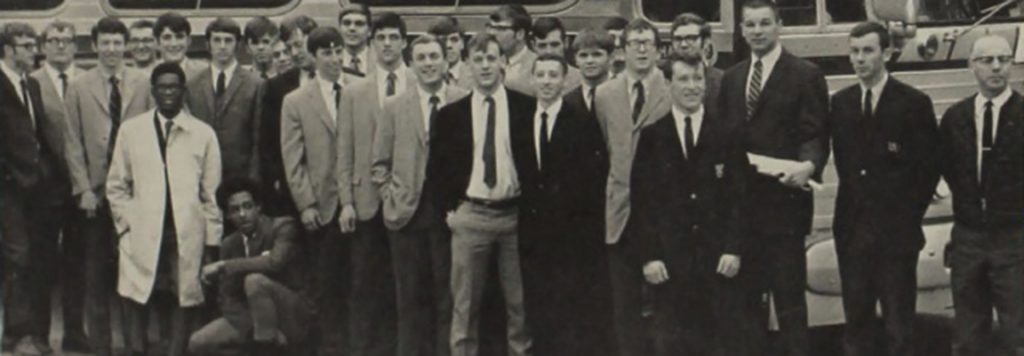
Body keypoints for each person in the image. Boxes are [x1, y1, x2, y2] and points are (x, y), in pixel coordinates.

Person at [719, 1, 829, 355]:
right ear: (741, 29)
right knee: (745, 309)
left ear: (779, 24)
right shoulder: (732, 78)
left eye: (764, 23)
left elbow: (815, 134)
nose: (757, 31)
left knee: (790, 307)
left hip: (784, 210)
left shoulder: (805, 74)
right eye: (749, 24)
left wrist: (807, 167)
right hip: (740, 215)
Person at [829, 22, 941, 356]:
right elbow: (847, 167)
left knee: (898, 328)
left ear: (887, 53)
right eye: (854, 51)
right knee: (857, 326)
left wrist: (905, 219)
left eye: (867, 51)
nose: (859, 59)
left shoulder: (913, 103)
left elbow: (928, 171)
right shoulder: (842, 103)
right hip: (852, 235)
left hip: (896, 237)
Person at [632, 53, 749, 356]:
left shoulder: (727, 134)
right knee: (672, 343)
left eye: (698, 78)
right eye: (683, 79)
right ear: (668, 84)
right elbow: (642, 202)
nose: (692, 86)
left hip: (717, 262)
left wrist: (733, 248)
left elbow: (740, 197)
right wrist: (649, 257)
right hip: (670, 265)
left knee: (718, 343)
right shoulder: (652, 136)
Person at [427, 33, 533, 356]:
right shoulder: (450, 115)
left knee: (519, 302)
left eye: (491, 58)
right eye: (478, 60)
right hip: (471, 215)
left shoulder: (525, 108)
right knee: (465, 303)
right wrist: (452, 212)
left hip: (514, 217)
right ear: (467, 65)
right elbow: (438, 171)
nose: (485, 66)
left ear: (503, 62)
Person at [106, 62, 222, 356]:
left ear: (183, 92)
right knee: (136, 294)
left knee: (184, 294)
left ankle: (176, 351)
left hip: (184, 231)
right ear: (153, 91)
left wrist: (210, 241)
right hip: (142, 230)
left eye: (174, 87)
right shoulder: (132, 131)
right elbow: (117, 185)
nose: (168, 93)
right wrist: (126, 227)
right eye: (162, 87)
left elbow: (211, 194)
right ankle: (136, 349)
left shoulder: (202, 133)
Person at [371, 34, 469, 356]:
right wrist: (391, 196)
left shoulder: (463, 100)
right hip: (407, 217)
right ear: (411, 65)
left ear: (446, 60)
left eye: (434, 57)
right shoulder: (395, 107)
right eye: (422, 58)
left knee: (448, 296)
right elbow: (379, 164)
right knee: (409, 298)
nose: (428, 63)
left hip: (451, 217)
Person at [63, 17, 154, 355]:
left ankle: (136, 345)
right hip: (96, 196)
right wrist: (83, 188)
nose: (112, 49)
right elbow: (72, 142)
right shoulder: (79, 86)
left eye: (118, 43)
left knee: (134, 272)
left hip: (133, 193)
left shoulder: (142, 83)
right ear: (95, 45)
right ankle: (100, 346)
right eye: (106, 43)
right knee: (96, 275)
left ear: (126, 46)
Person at [515, 53, 612, 356]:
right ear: (532, 80)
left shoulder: (582, 122)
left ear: (564, 79)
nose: (546, 81)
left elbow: (594, 181)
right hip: (532, 234)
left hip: (570, 235)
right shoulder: (520, 122)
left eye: (553, 75)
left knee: (569, 306)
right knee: (537, 304)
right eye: (540, 75)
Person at [940, 34, 1024, 356]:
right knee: (968, 332)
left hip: (1013, 238)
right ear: (971, 66)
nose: (996, 67)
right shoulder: (955, 118)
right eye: (987, 60)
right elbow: (947, 168)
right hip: (969, 238)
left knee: (1017, 329)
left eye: (1004, 59)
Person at [338, 11, 413, 356]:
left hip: (408, 202)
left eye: (393, 37)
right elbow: (346, 149)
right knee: (363, 284)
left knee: (406, 284)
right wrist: (347, 202)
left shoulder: (417, 82)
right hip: (366, 200)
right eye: (380, 38)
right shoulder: (355, 91)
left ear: (403, 42)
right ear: (372, 42)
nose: (386, 44)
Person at [595, 18, 671, 356]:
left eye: (647, 43)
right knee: (623, 307)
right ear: (622, 51)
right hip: (620, 213)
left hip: (661, 215)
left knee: (663, 305)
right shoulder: (605, 94)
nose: (641, 49)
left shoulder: (671, 90)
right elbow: (606, 146)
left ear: (658, 49)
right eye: (634, 43)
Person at [280, 26, 355, 356]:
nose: (335, 58)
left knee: (361, 279)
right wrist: (306, 204)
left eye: (339, 50)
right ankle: (329, 346)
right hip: (322, 204)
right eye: (326, 52)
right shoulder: (296, 100)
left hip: (360, 201)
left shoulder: (361, 86)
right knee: (325, 282)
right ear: (313, 56)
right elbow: (292, 159)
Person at [0, 22, 67, 356]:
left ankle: (36, 335)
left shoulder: (31, 85)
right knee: (18, 258)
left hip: (38, 191)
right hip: (9, 190)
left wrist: (52, 178)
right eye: (26, 46)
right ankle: (16, 335)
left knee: (41, 259)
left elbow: (37, 136)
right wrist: (12, 178)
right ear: (9, 50)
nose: (33, 51)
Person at [189, 178, 313, 356]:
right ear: (227, 216)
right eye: (235, 210)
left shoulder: (282, 227)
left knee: (254, 281)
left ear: (258, 207)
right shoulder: (229, 244)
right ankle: (264, 342)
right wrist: (252, 328)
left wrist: (225, 265)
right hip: (255, 321)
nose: (242, 214)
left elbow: (274, 262)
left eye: (247, 206)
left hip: (291, 315)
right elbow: (227, 299)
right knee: (198, 342)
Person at [28, 19, 91, 354]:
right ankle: (39, 332)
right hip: (44, 187)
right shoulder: (32, 82)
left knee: (77, 261)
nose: (61, 46)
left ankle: (74, 331)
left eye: (67, 40)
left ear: (76, 46)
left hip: (81, 186)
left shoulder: (86, 80)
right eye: (53, 40)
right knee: (42, 261)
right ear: (44, 46)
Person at [186, 17, 263, 181]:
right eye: (217, 40)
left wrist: (254, 177)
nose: (222, 46)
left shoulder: (255, 84)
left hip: (239, 175)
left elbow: (258, 138)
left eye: (228, 40)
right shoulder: (192, 84)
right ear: (208, 44)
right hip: (201, 172)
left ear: (238, 44)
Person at [259, 14, 317, 218]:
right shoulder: (277, 87)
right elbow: (268, 140)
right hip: (293, 186)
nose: (294, 53)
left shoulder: (340, 79)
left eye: (299, 45)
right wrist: (278, 179)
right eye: (289, 47)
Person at [671, 13, 723, 110]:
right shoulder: (662, 78)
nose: (683, 45)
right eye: (678, 39)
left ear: (706, 42)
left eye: (691, 38)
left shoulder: (722, 82)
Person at [525, 17, 583, 93]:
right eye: (542, 46)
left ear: (566, 43)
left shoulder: (581, 80)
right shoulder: (523, 80)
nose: (549, 51)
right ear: (533, 46)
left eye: (555, 45)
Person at [487, 5, 535, 93]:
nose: (492, 33)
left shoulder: (536, 68)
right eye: (490, 27)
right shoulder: (487, 63)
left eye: (500, 28)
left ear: (520, 34)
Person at [564, 28, 614, 113]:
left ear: (610, 58)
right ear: (575, 59)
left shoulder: (625, 93)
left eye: (596, 54)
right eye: (583, 55)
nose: (589, 61)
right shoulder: (567, 102)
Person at [155, 12, 209, 80]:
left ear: (189, 40)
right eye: (167, 37)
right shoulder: (148, 73)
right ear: (157, 43)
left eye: (179, 37)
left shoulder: (205, 72)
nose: (174, 44)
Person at [428, 16, 472, 90]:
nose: (448, 45)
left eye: (454, 40)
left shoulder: (475, 75)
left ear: (462, 43)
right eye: (443, 40)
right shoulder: (426, 77)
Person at [339, 3, 373, 77]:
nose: (352, 28)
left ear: (369, 31)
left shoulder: (381, 61)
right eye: (346, 23)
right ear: (340, 28)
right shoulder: (330, 61)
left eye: (359, 24)